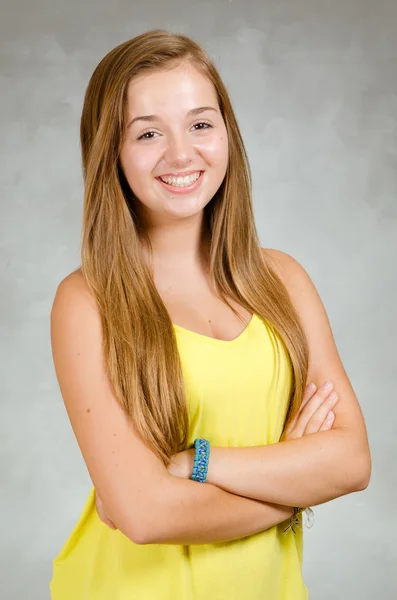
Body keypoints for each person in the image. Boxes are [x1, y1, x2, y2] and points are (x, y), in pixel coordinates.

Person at [49, 29, 371, 600]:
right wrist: (295, 483)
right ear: (111, 154)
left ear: (227, 133)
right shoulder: (86, 302)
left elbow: (349, 461)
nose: (181, 154)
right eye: (148, 133)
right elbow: (145, 515)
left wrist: (196, 464)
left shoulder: (282, 280)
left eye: (200, 124)